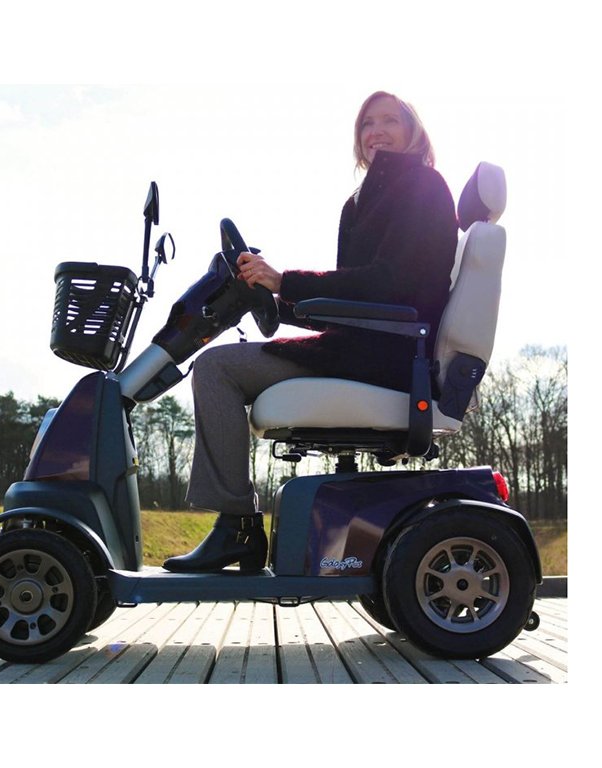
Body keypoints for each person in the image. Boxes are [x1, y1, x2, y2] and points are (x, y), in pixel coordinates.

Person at [163, 90, 459, 573]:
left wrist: (286, 282)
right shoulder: (359, 203)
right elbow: (355, 304)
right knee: (218, 366)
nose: (376, 131)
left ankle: (236, 528)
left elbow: (392, 284)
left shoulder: (424, 187)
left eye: (390, 120)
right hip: (360, 344)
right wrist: (278, 302)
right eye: (367, 124)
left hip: (392, 354)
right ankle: (237, 527)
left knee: (216, 369)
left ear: (413, 131)